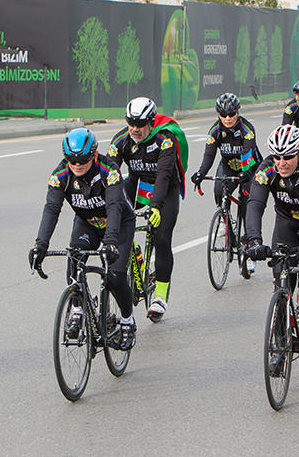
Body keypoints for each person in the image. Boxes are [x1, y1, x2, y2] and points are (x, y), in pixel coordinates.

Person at [30, 128, 137, 350]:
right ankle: (77, 308)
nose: (77, 164)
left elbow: (115, 207)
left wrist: (110, 242)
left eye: (83, 159)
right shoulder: (60, 175)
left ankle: (128, 320)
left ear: (95, 155)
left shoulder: (109, 171)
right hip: (87, 223)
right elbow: (52, 209)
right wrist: (41, 244)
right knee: (74, 259)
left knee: (115, 277)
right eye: (71, 159)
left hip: (118, 225)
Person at [245, 124, 299, 328]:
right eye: (277, 157)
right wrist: (253, 241)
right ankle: (280, 341)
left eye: (287, 157)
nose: (281, 163)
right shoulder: (267, 169)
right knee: (282, 282)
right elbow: (255, 205)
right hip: (287, 220)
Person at [107, 97, 186, 321]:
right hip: (136, 182)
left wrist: (156, 207)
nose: (134, 129)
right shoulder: (122, 139)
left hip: (165, 189)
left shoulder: (165, 139)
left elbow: (163, 175)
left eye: (140, 124)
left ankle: (160, 294)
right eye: (130, 123)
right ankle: (135, 257)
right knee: (118, 224)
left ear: (150, 122)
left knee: (161, 237)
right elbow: (110, 171)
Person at [190, 93, 262, 277]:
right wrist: (200, 174)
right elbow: (209, 155)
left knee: (248, 210)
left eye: (231, 114)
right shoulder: (215, 130)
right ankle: (224, 218)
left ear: (237, 112)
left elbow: (247, 151)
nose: (228, 118)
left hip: (249, 166)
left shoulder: (247, 128)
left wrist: (246, 173)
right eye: (223, 115)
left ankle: (250, 247)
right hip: (229, 166)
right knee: (218, 189)